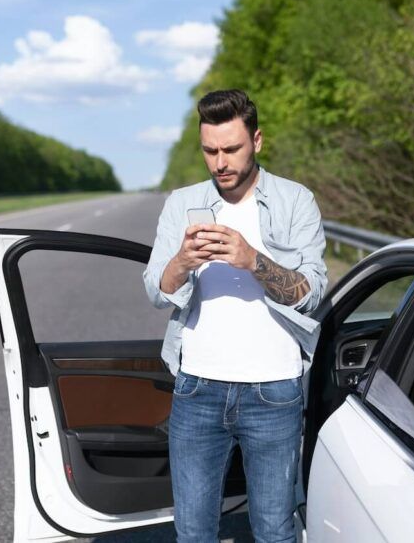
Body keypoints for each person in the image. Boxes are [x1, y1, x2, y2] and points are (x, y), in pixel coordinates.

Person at [142, 89, 328, 542]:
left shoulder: (295, 200)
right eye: (210, 151)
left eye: (231, 149)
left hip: (275, 390)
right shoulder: (180, 203)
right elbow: (156, 291)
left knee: (274, 531)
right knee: (193, 532)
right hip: (197, 389)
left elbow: (312, 291)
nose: (220, 162)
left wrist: (253, 260)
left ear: (257, 141)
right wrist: (182, 261)